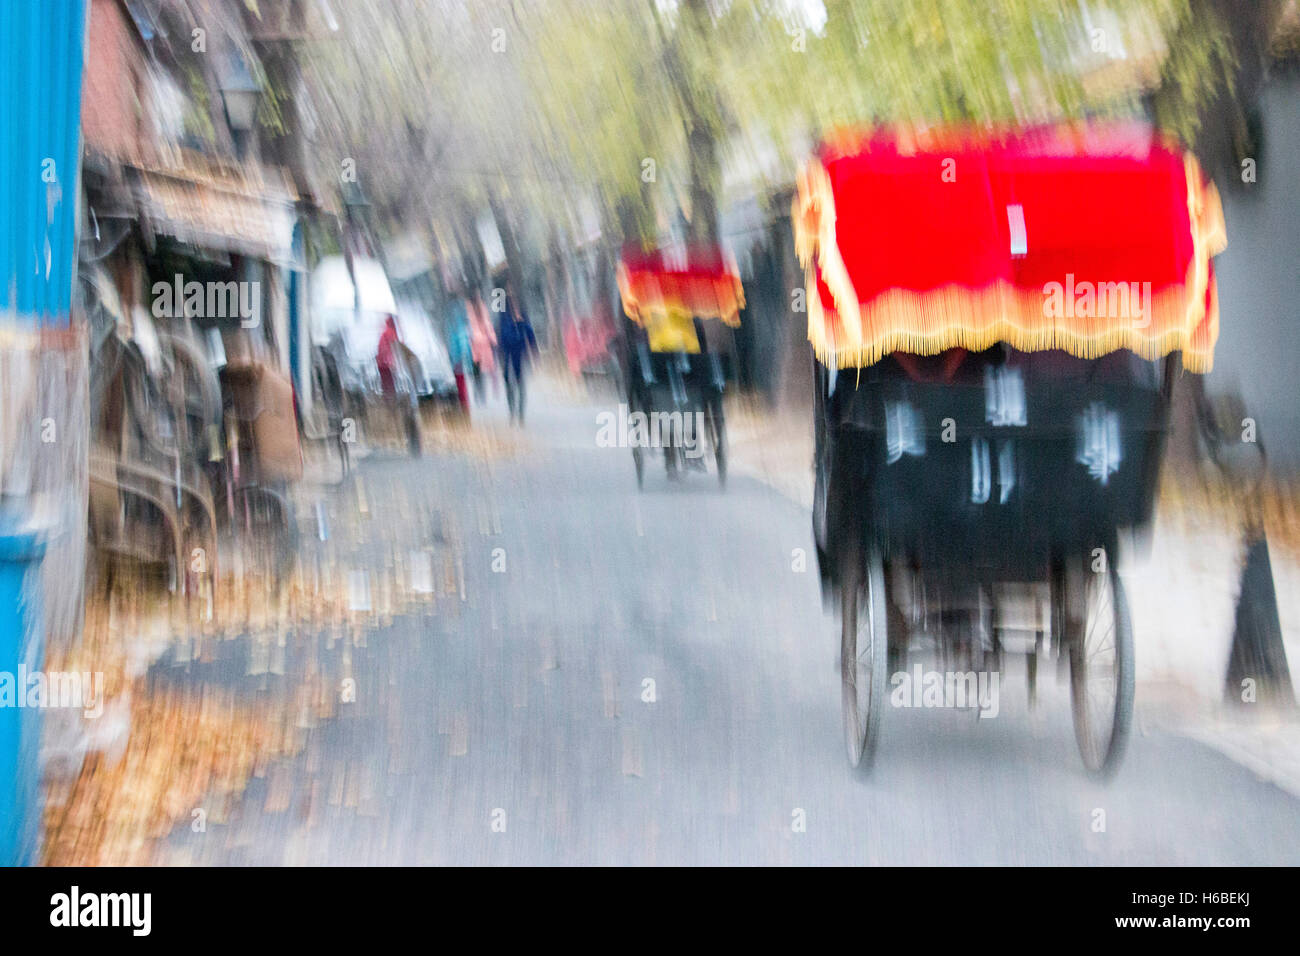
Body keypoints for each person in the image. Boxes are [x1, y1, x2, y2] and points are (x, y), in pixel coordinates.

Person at [496, 283, 537, 424]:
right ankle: (512, 410)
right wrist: (499, 351)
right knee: (508, 382)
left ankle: (520, 414)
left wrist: (533, 350)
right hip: (507, 351)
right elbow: (499, 330)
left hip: (519, 351)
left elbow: (529, 331)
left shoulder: (523, 312)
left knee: (520, 383)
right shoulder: (502, 310)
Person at [467, 294, 497, 403]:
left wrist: (492, 338)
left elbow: (487, 325)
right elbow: (487, 325)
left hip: (476, 347)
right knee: (478, 373)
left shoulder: (476, 309)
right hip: (476, 346)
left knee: (478, 373)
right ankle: (480, 394)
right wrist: (492, 339)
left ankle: (479, 394)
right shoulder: (473, 310)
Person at [446, 296, 473, 413]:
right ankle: (463, 405)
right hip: (457, 356)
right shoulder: (457, 323)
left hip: (456, 356)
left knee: (459, 381)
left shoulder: (452, 323)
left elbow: (457, 339)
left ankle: (463, 406)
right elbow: (463, 339)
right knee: (460, 381)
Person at [376, 314, 400, 398]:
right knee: (391, 384)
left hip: (382, 364)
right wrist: (392, 362)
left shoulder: (385, 333)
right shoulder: (393, 333)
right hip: (388, 364)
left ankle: (388, 400)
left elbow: (381, 348)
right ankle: (391, 400)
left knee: (386, 384)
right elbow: (394, 349)